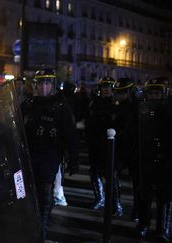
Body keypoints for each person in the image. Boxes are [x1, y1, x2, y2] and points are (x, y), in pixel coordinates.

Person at [21, 68, 79, 239]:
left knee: (46, 187)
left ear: (53, 85)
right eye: (40, 83)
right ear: (35, 85)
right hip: (31, 152)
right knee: (31, 189)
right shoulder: (29, 104)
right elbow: (14, 122)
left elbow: (71, 133)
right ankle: (33, 221)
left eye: (47, 83)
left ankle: (43, 225)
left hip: (51, 153)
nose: (44, 86)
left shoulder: (61, 105)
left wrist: (74, 159)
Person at [137, 78, 172, 242]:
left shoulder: (170, 111)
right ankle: (144, 223)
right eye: (151, 93)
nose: (154, 97)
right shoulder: (140, 110)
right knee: (145, 193)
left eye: (157, 93)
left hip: (165, 159)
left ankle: (162, 229)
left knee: (164, 197)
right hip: (146, 157)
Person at [85, 76, 116, 211]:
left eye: (109, 87)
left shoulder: (116, 103)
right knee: (94, 172)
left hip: (110, 144)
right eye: (104, 87)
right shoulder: (95, 102)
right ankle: (100, 198)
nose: (106, 90)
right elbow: (89, 120)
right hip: (96, 142)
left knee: (111, 174)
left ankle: (115, 202)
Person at [112, 77, 139, 218]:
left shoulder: (137, 106)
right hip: (120, 147)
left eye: (122, 92)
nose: (119, 95)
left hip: (134, 147)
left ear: (129, 92)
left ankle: (137, 210)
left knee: (137, 181)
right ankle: (117, 206)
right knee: (112, 174)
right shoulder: (116, 105)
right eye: (118, 92)